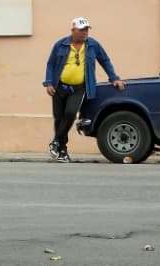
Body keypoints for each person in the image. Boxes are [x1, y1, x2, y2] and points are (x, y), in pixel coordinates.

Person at [43, 17, 125, 162]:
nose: (84, 32)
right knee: (59, 118)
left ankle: (55, 141)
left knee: (70, 113)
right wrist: (49, 83)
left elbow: (105, 61)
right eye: (81, 30)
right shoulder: (60, 45)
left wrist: (114, 78)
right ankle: (62, 151)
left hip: (79, 88)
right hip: (59, 87)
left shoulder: (93, 45)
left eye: (86, 29)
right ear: (73, 30)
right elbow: (51, 64)